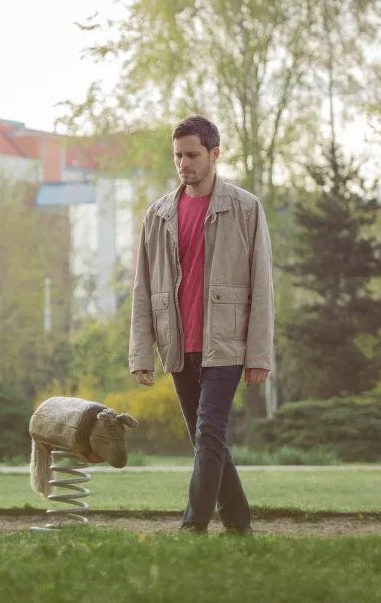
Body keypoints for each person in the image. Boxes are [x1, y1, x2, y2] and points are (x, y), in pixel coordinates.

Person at [129, 115, 274, 535]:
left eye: (192, 154)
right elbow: (143, 289)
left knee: (210, 432)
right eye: (177, 155)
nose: (183, 163)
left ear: (214, 154)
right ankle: (239, 524)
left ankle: (192, 526)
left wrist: (258, 354)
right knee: (207, 441)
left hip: (226, 346)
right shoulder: (158, 215)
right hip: (178, 347)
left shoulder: (245, 208)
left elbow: (262, 286)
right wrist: (141, 353)